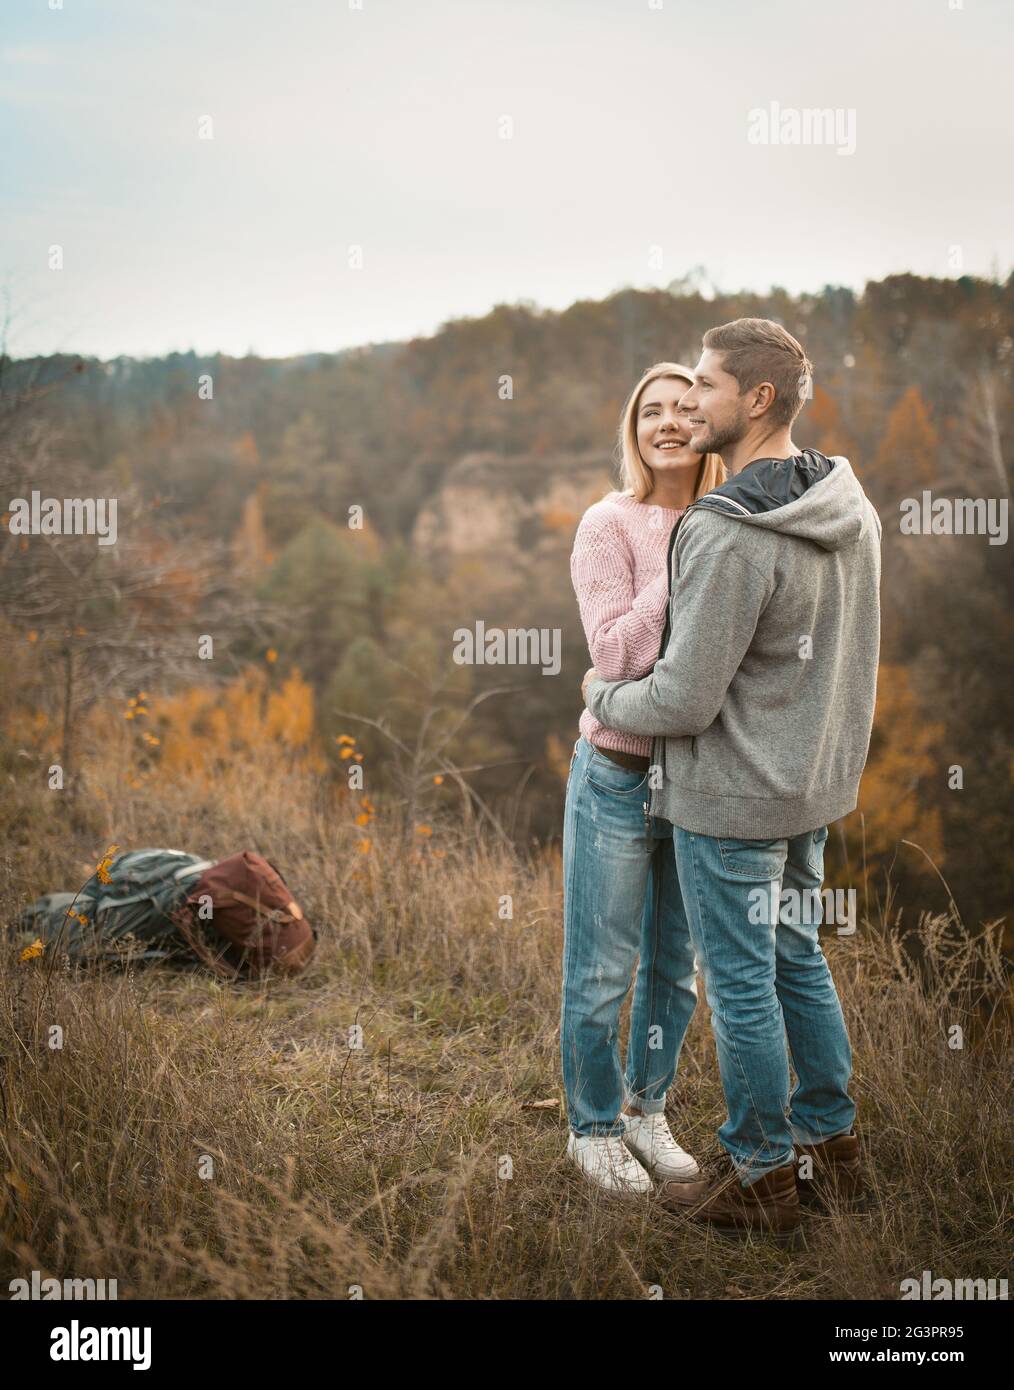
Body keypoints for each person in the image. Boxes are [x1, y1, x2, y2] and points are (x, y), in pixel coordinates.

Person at [583, 318, 882, 1237]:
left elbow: (678, 699)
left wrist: (601, 691)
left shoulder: (727, 530)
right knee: (799, 958)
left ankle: (760, 1177)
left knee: (744, 983)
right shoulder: (845, 500)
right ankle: (834, 1147)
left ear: (755, 399)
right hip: (812, 788)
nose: (690, 402)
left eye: (706, 386)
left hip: (734, 799)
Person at [562, 362, 724, 1196]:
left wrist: (712, 528)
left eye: (684, 408)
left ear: (710, 423)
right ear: (634, 429)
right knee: (600, 970)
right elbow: (615, 656)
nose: (668, 421)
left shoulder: (736, 520)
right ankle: (589, 1126)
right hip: (619, 773)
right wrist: (687, 549)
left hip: (702, 778)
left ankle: (644, 1110)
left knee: (675, 968)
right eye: (650, 410)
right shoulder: (608, 523)